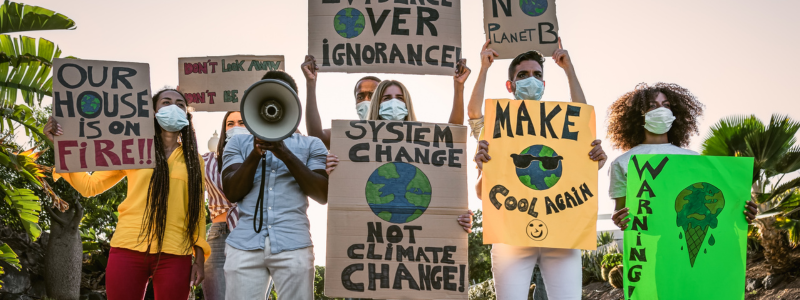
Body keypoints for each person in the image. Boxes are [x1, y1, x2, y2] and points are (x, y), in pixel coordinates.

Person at [471, 39, 608, 300]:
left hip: (562, 232)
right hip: (510, 234)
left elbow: (583, 115)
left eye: (537, 75)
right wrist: (483, 69)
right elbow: (481, 191)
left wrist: (568, 69)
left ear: (544, 85)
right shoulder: (495, 127)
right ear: (510, 85)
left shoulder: (564, 123)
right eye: (522, 75)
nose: (530, 79)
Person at [44, 89, 209, 300]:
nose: (173, 108)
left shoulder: (195, 160)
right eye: (166, 102)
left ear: (187, 114)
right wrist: (60, 145)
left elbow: (197, 213)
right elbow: (90, 186)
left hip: (176, 252)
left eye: (180, 105)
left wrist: (199, 260)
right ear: (152, 111)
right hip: (128, 246)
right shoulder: (132, 148)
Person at [221, 70, 329, 299]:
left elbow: (321, 193)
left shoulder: (312, 144)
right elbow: (232, 192)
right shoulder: (238, 142)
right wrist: (255, 154)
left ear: (292, 105)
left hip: (294, 244)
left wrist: (285, 154)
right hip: (244, 246)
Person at [606, 83, 758, 230]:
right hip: (648, 246)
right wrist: (618, 218)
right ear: (638, 114)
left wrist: (743, 211)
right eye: (653, 105)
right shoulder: (622, 163)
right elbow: (619, 209)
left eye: (666, 105)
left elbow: (712, 201)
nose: (661, 110)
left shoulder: (693, 159)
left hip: (683, 241)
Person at [302, 54, 471, 148]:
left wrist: (459, 88)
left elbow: (452, 134)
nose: (393, 103)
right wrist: (311, 84)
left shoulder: (419, 134)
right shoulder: (353, 135)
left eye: (398, 98)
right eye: (386, 98)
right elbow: (317, 136)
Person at [200, 111, 247, 300]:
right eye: (230, 123)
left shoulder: (265, 159)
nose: (236, 127)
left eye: (242, 122)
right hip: (219, 235)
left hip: (252, 234)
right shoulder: (207, 161)